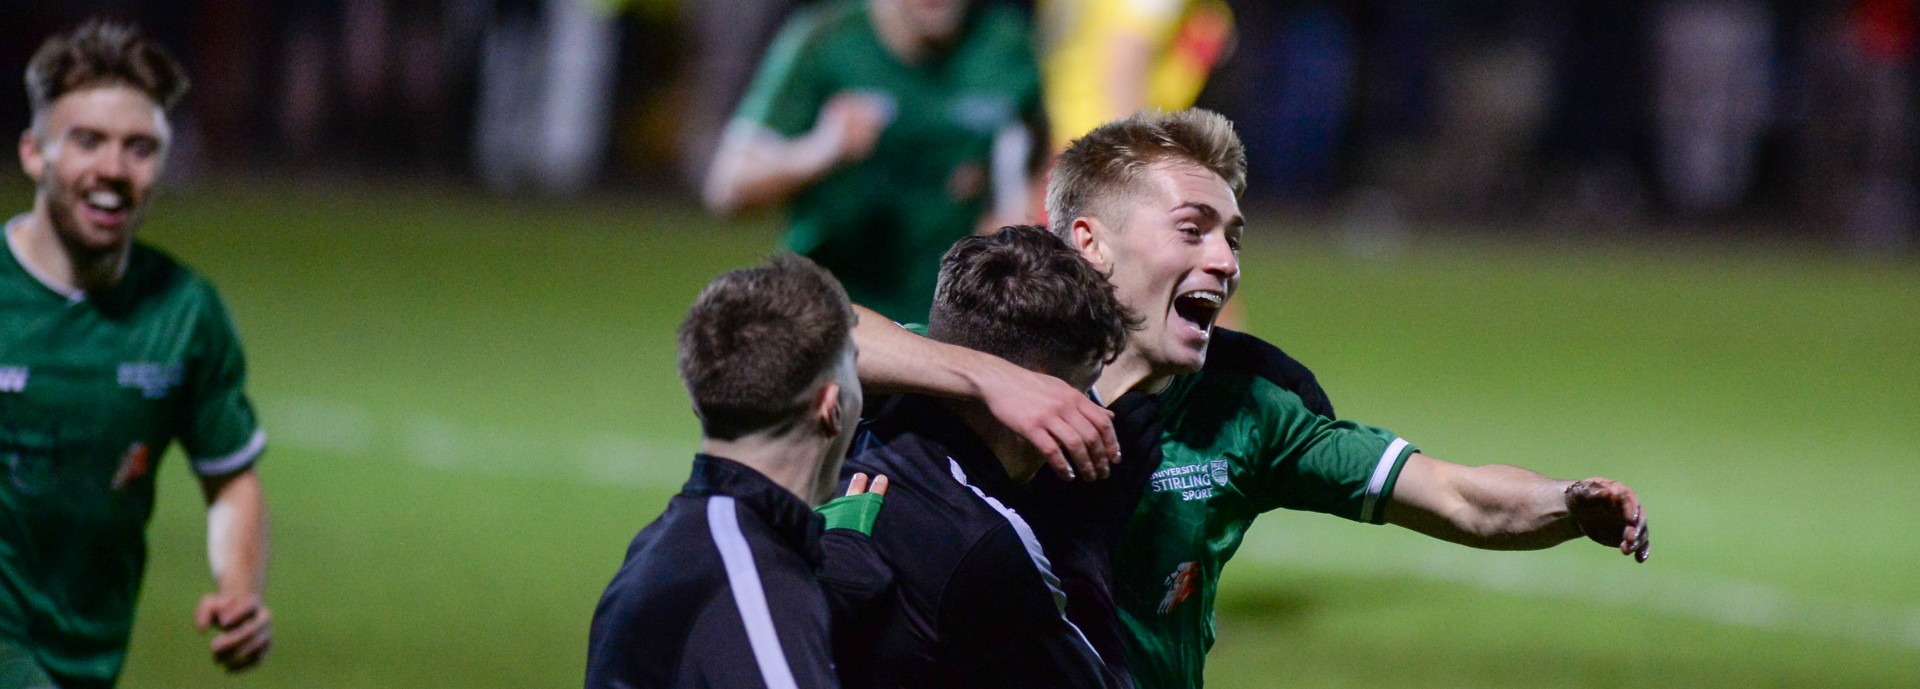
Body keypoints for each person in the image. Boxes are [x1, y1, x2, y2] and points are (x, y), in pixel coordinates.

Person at [850, 109, 1652, 689]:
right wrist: (986, 378)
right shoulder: (974, 355)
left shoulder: (1248, 404)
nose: (1225, 261)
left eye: (1233, 237)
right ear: (1089, 241)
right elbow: (792, 334)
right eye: (1193, 229)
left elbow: (1453, 494)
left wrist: (1566, 503)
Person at [0, 20, 273, 688]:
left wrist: (239, 589)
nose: (114, 170)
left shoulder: (183, 311)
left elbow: (230, 477)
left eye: (141, 147)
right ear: (35, 153)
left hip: (87, 649)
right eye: (87, 141)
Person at [825, 226, 1135, 688]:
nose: (1096, 406)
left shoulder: (868, 406)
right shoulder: (986, 543)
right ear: (1041, 388)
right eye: (1088, 382)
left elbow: (800, 326)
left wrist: (982, 375)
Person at [584, 254, 881, 689]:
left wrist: (825, 582)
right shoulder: (752, 583)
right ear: (830, 407)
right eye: (854, 364)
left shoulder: (671, 544)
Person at [703, 0, 1046, 325]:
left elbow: (1034, 148)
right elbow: (728, 186)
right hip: (835, 310)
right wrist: (819, 151)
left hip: (955, 315)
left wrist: (1009, 213)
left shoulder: (1006, 42)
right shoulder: (826, 40)